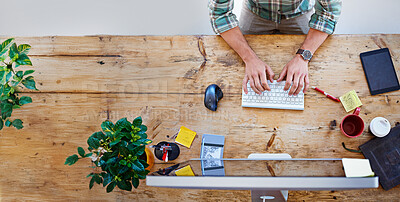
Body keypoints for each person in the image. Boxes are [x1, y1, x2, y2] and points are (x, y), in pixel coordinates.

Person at [208, 0, 342, 96]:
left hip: (299, 13)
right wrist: (249, 58)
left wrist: (303, 57)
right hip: (256, 13)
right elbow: (220, 14)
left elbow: (328, 12)